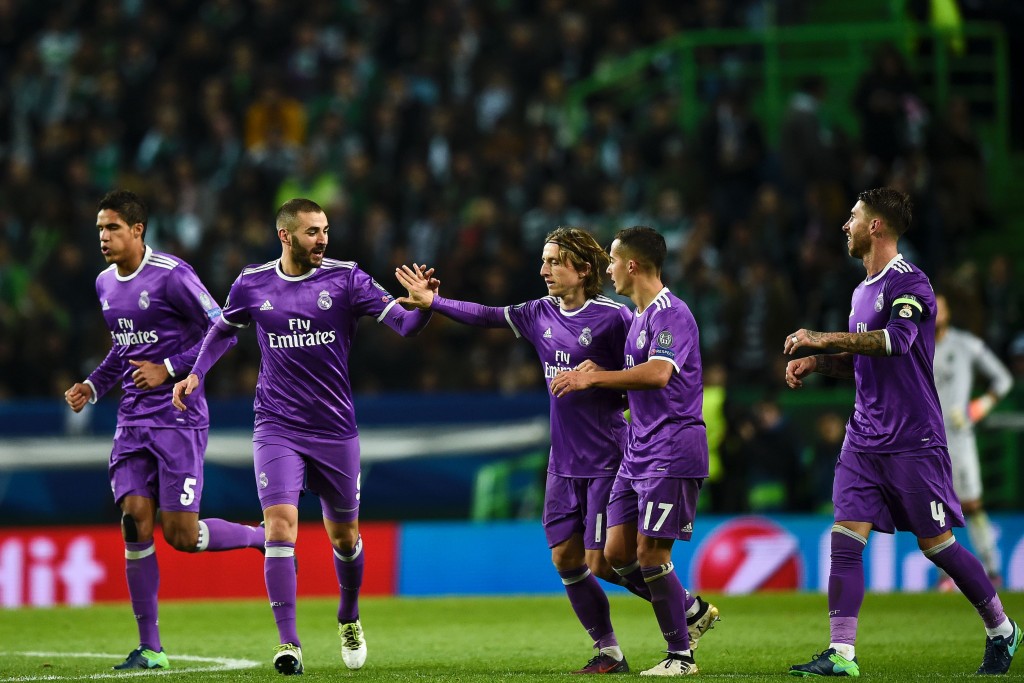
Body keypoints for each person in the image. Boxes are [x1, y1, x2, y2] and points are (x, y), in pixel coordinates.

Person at [398, 227, 716, 673]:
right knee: (567, 560)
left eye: (554, 262)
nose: (543, 270)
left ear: (582, 270)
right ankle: (612, 650)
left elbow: (647, 381)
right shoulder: (538, 313)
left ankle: (682, 621)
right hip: (563, 461)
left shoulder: (618, 317)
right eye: (544, 260)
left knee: (607, 561)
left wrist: (597, 379)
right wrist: (436, 303)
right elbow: (485, 315)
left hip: (610, 456)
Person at [171, 198, 432, 676]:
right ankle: (289, 643)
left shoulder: (347, 278)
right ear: (285, 236)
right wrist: (195, 374)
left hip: (334, 430)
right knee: (279, 528)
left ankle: (349, 615)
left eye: (326, 230)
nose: (323, 239)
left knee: (345, 537)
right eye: (313, 231)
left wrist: (426, 307)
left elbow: (406, 326)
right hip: (276, 426)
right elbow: (223, 329)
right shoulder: (252, 283)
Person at [782, 187, 1020, 677]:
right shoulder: (860, 290)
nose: (844, 225)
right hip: (864, 438)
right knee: (845, 538)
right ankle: (842, 654)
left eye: (852, 216)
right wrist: (818, 362)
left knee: (938, 546)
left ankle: (1002, 629)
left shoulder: (911, 283)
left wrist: (821, 334)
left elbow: (895, 342)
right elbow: (861, 360)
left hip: (914, 440)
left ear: (875, 227)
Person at [64, 190, 265, 671]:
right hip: (132, 418)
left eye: (111, 228)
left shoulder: (173, 276)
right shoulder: (104, 284)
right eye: (99, 230)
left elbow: (224, 328)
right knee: (134, 519)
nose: (103, 238)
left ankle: (260, 538)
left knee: (181, 535)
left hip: (179, 416)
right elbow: (124, 349)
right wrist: (93, 386)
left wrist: (171, 368)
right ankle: (151, 648)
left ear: (137, 230)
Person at [550, 226, 716, 677]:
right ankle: (691, 610)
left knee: (650, 555)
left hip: (672, 445)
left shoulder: (672, 313)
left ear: (632, 265)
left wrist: (594, 378)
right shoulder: (637, 319)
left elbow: (659, 374)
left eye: (613, 261)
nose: (607, 269)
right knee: (609, 556)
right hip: (636, 449)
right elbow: (634, 387)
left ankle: (681, 656)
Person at [933, 292, 1013, 588]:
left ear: (949, 312)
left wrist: (978, 408)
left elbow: (1002, 379)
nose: (936, 311)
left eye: (941, 306)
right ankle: (945, 578)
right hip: (927, 442)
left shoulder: (966, 345)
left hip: (959, 439)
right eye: (932, 306)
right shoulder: (915, 346)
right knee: (936, 510)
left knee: (973, 504)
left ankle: (993, 571)